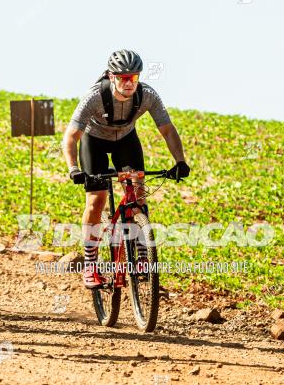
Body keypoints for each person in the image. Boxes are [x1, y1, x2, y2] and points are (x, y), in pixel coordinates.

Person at [62, 49, 190, 288]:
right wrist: (73, 168)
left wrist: (180, 161)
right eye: (123, 77)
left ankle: (142, 255)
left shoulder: (148, 95)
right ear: (112, 77)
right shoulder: (94, 97)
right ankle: (90, 265)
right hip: (94, 142)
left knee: (137, 195)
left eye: (134, 77)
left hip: (126, 141)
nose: (129, 82)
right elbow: (70, 137)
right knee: (96, 201)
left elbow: (168, 131)